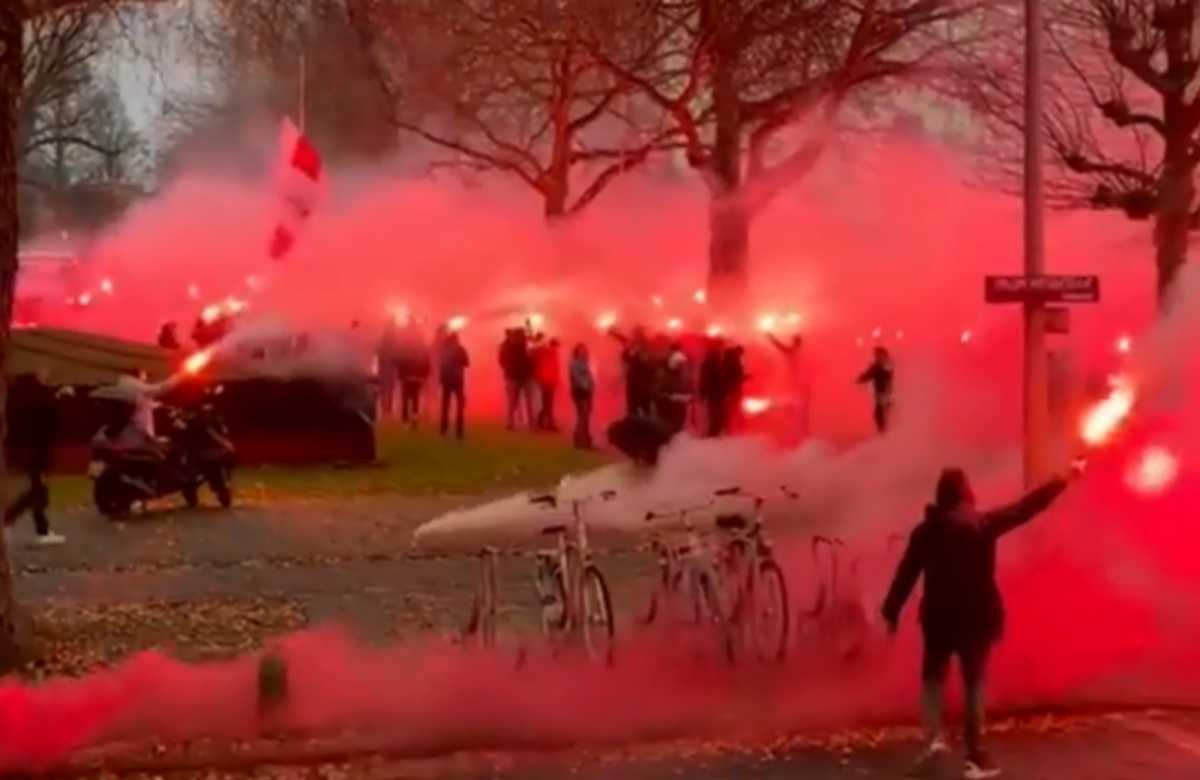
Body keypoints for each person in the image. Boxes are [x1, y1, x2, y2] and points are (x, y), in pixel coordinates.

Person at [882, 466, 1078, 779]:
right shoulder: (983, 524)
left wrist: (891, 611)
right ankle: (975, 754)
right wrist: (1062, 481)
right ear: (965, 493)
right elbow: (1026, 508)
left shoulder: (926, 531)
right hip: (976, 619)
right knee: (974, 686)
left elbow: (906, 575)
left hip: (938, 620)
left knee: (933, 680)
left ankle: (934, 741)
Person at [5, 369, 68, 546]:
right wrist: (59, 398)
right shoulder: (37, 397)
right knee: (37, 491)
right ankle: (37, 529)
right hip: (37, 451)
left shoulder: (17, 394)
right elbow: (48, 420)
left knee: (37, 490)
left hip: (26, 449)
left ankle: (40, 529)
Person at [768, 333, 811, 439]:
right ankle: (801, 435)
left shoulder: (794, 352)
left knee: (796, 413)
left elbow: (781, 347)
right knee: (799, 413)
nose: (792, 342)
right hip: (799, 386)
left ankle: (799, 436)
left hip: (796, 386)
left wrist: (771, 337)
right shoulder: (801, 353)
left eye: (794, 340)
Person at [397, 322, 431, 428]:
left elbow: (400, 362)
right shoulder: (421, 347)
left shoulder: (404, 346)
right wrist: (423, 376)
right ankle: (414, 423)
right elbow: (426, 363)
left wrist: (401, 376)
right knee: (415, 401)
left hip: (407, 377)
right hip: (416, 377)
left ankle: (405, 422)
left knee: (406, 400)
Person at [439, 331, 470, 439]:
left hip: (446, 379)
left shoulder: (444, 350)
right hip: (457, 379)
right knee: (460, 405)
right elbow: (467, 363)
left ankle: (443, 428)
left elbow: (441, 364)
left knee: (445, 405)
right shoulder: (460, 349)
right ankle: (459, 431)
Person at [857, 346, 894, 434]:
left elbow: (871, 373)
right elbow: (869, 374)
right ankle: (884, 430)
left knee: (881, 411)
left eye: (878, 354)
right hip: (882, 392)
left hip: (885, 392)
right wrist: (861, 379)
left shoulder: (884, 365)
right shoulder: (879, 365)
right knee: (881, 411)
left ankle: (884, 431)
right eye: (876, 355)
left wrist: (861, 378)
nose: (876, 356)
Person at [656, 343, 692, 435]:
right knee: (676, 409)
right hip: (674, 388)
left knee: (671, 410)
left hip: (671, 388)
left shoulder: (668, 359)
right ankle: (674, 427)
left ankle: (671, 428)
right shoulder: (679, 359)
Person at [569, 344, 595, 448]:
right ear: (577, 352)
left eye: (584, 350)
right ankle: (579, 439)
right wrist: (587, 386)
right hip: (580, 391)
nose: (583, 352)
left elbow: (588, 377)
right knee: (583, 416)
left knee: (584, 416)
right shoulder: (575, 364)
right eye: (581, 350)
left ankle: (584, 438)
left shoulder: (585, 363)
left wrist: (591, 386)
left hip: (586, 391)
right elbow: (577, 378)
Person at [698, 340, 726, 436]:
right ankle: (715, 430)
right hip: (717, 392)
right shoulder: (719, 364)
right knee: (716, 412)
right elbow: (721, 379)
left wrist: (702, 391)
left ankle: (713, 430)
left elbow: (704, 379)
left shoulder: (706, 365)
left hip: (712, 391)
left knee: (712, 412)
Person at [535, 338, 561, 431]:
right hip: (546, 382)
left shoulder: (549, 353)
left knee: (547, 404)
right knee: (548, 404)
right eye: (556, 346)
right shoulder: (547, 353)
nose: (557, 348)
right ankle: (547, 423)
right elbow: (552, 369)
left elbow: (555, 369)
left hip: (548, 382)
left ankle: (543, 422)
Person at [377, 318, 402, 418]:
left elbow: (379, 353)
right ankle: (388, 408)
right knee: (390, 388)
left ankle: (384, 407)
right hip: (390, 367)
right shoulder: (395, 339)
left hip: (385, 367)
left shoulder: (383, 340)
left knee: (384, 388)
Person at [721, 345, 747, 433]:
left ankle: (727, 426)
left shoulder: (726, 360)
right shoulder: (735, 361)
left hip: (728, 386)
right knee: (735, 406)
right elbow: (737, 375)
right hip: (734, 386)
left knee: (729, 407)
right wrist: (745, 377)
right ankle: (735, 426)